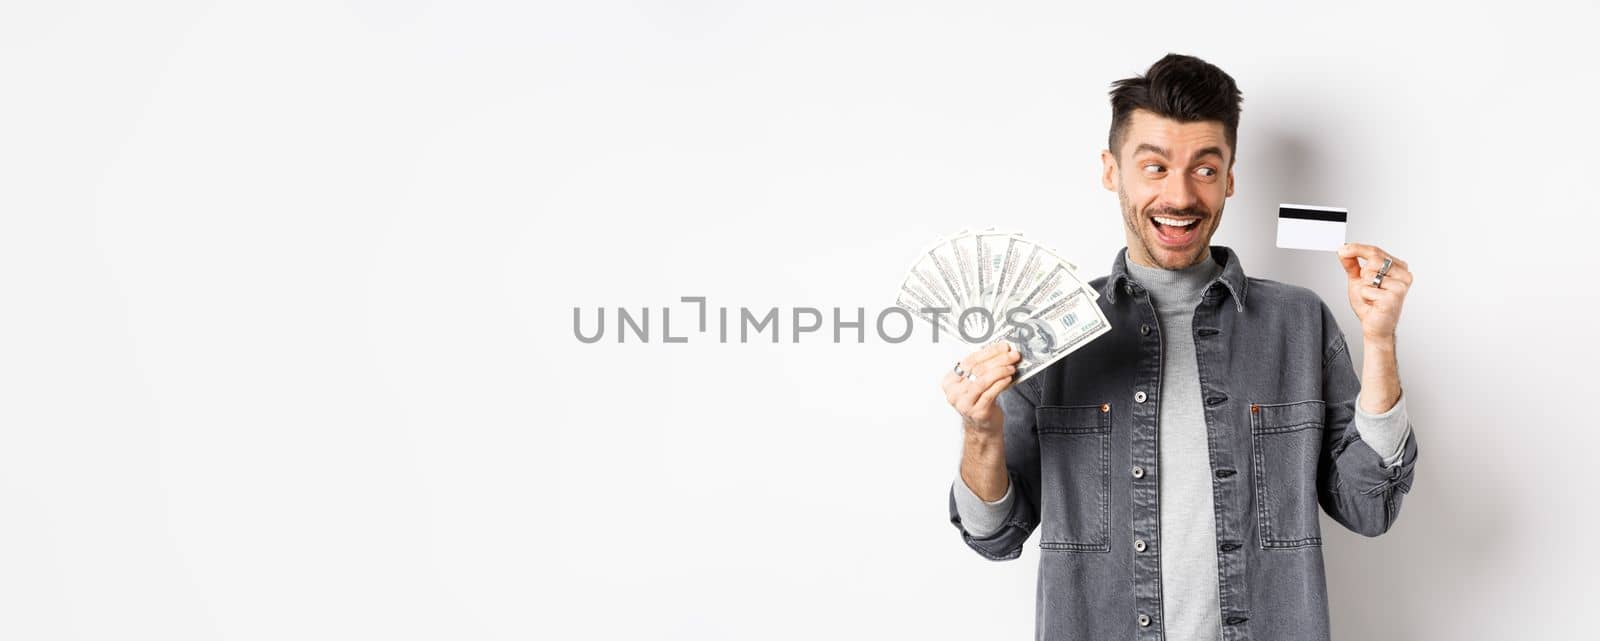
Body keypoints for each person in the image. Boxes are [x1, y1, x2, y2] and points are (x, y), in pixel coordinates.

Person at [943, 53, 1418, 641]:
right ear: (1111, 171)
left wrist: (1380, 341)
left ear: (1230, 179)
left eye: (1204, 169)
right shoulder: (1050, 334)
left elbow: (1368, 508)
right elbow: (995, 535)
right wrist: (980, 433)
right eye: (1155, 167)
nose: (1181, 195)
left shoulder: (1299, 324)